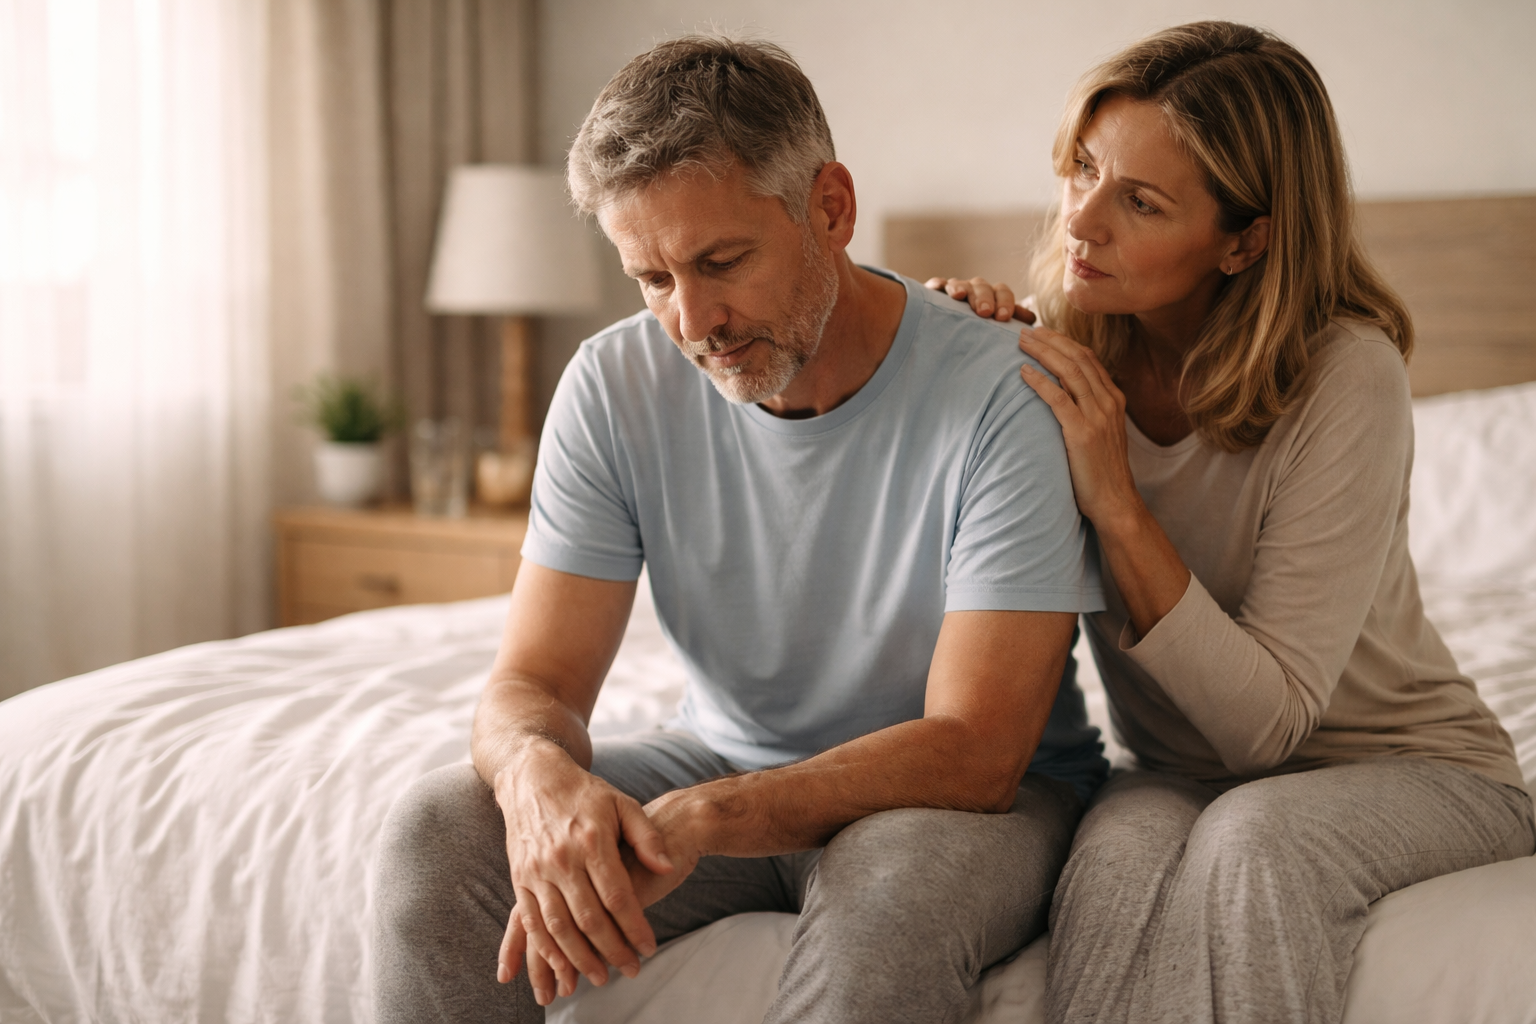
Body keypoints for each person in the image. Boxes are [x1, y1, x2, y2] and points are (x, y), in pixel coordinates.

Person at [371, 36, 1108, 1024]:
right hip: (718, 762)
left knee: (885, 901)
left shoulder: (1003, 391)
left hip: (959, 800)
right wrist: (538, 778)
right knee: (438, 833)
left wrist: (719, 817)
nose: (693, 319)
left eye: (722, 262)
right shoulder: (611, 385)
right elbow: (533, 683)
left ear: (830, 210)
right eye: (652, 277)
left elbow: (976, 747)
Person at [929, 20, 1534, 1024]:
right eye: (1082, 170)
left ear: (1245, 239)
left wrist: (1115, 498)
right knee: (1112, 861)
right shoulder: (1054, 352)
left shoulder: (1349, 374)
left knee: (1254, 838)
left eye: (1140, 201)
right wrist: (936, 380)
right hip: (1172, 769)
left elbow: (1266, 728)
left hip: (1410, 767)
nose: (1081, 222)